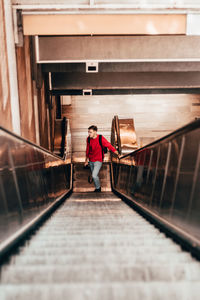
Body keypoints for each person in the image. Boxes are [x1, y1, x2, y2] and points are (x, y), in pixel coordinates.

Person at [84, 125, 120, 192]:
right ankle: (97, 187)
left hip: (98, 160)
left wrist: (117, 153)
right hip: (91, 160)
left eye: (90, 132)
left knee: (94, 175)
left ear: (95, 132)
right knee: (94, 174)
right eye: (88, 132)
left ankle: (98, 188)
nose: (89, 134)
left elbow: (108, 145)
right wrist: (86, 160)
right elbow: (87, 150)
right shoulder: (88, 139)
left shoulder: (100, 138)